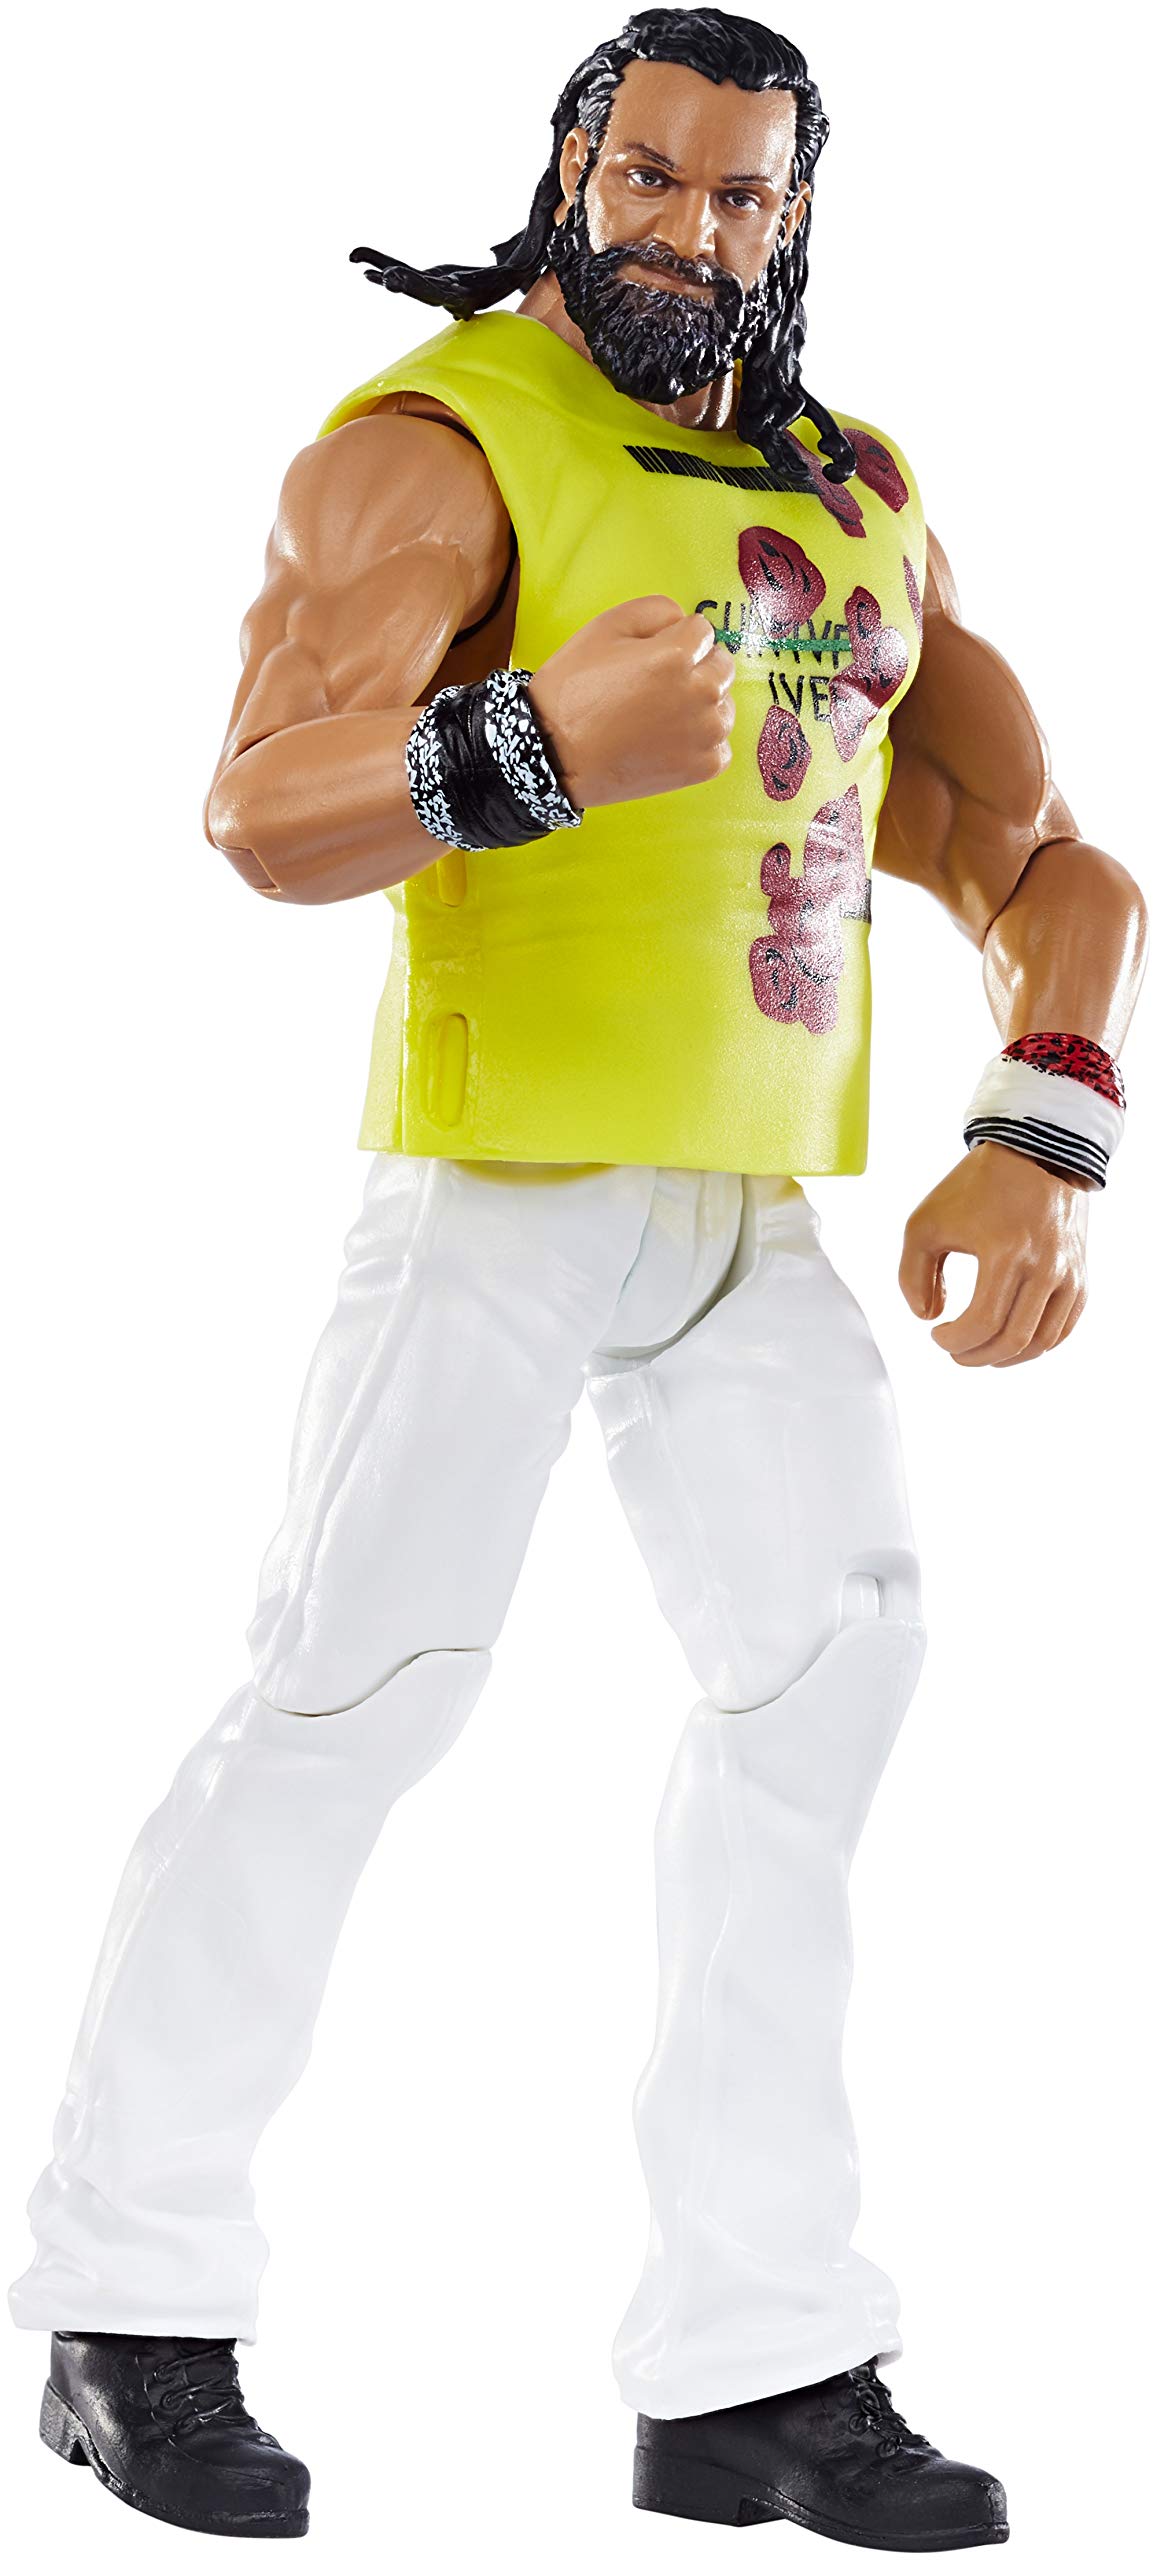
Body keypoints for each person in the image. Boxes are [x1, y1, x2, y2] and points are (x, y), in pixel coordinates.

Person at [10, 11, 1146, 2547]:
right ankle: (128, 2297)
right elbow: (261, 810)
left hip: (748, 1211)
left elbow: (1043, 851)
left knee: (828, 1683)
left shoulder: (855, 490)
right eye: (649, 177)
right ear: (568, 166)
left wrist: (1042, 1124)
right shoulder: (436, 444)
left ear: (794, 215)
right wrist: (520, 744)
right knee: (351, 1693)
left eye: (741, 196)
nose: (690, 232)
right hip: (499, 1180)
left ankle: (760, 2352)